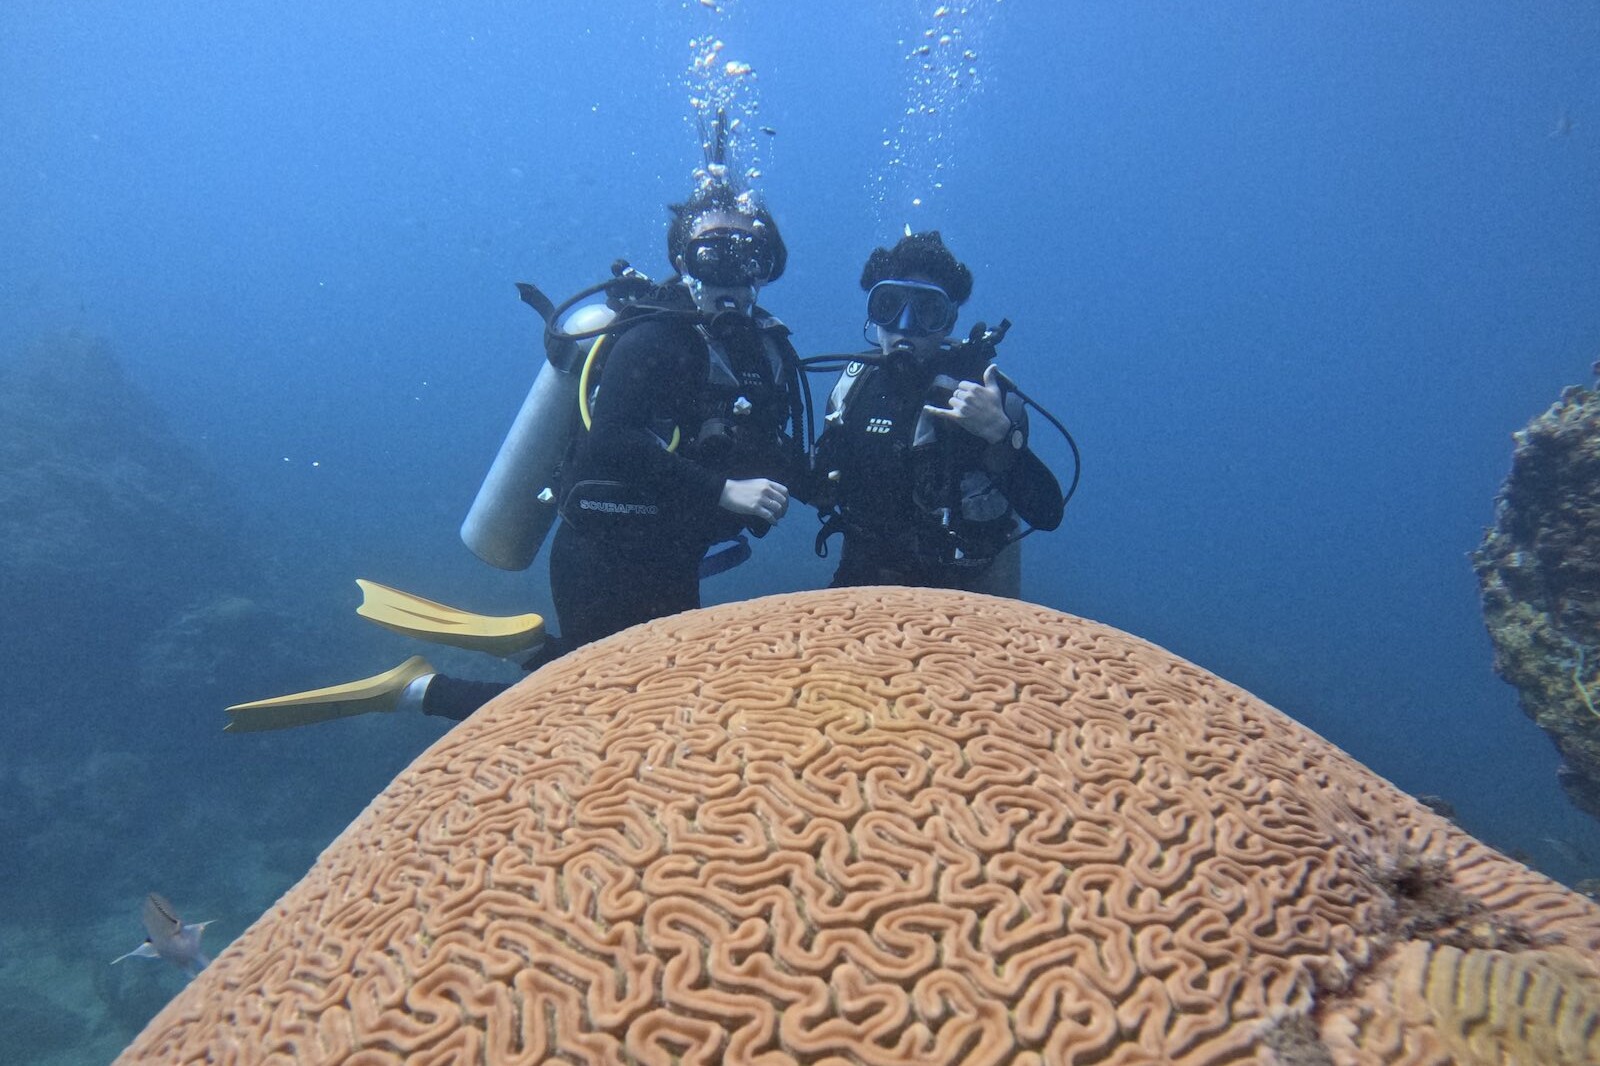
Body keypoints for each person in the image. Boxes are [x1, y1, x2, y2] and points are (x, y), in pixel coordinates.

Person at [225, 181, 806, 731]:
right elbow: (612, 441)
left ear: (766, 266)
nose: (729, 273)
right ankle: (419, 689)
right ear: (683, 260)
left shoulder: (761, 350)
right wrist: (723, 492)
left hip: (675, 550)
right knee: (605, 705)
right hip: (605, 550)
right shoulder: (657, 336)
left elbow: (774, 450)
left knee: (636, 688)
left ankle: (519, 646)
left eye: (746, 256)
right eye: (711, 256)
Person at [810, 230, 1064, 595]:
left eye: (927, 311)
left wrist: (999, 433)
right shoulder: (853, 390)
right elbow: (820, 482)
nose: (904, 326)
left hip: (965, 592)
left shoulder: (982, 395)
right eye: (889, 305)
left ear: (949, 322)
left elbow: (1047, 513)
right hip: (862, 579)